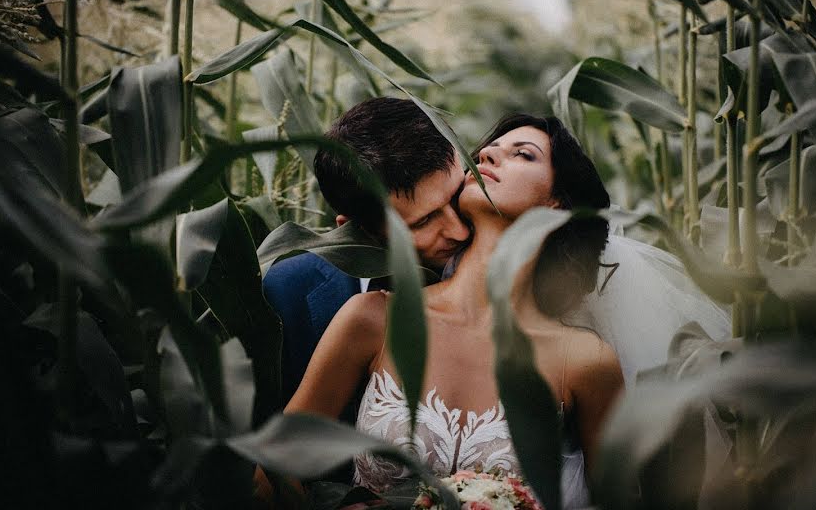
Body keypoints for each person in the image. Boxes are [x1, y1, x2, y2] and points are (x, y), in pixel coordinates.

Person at [283, 114, 625, 506]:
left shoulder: (586, 361)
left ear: (556, 204)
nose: (490, 154)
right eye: (489, 149)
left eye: (523, 154)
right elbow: (276, 464)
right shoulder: (373, 318)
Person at [262, 97, 471, 405]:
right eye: (424, 221)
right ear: (357, 229)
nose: (460, 231)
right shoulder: (284, 294)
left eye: (456, 196)